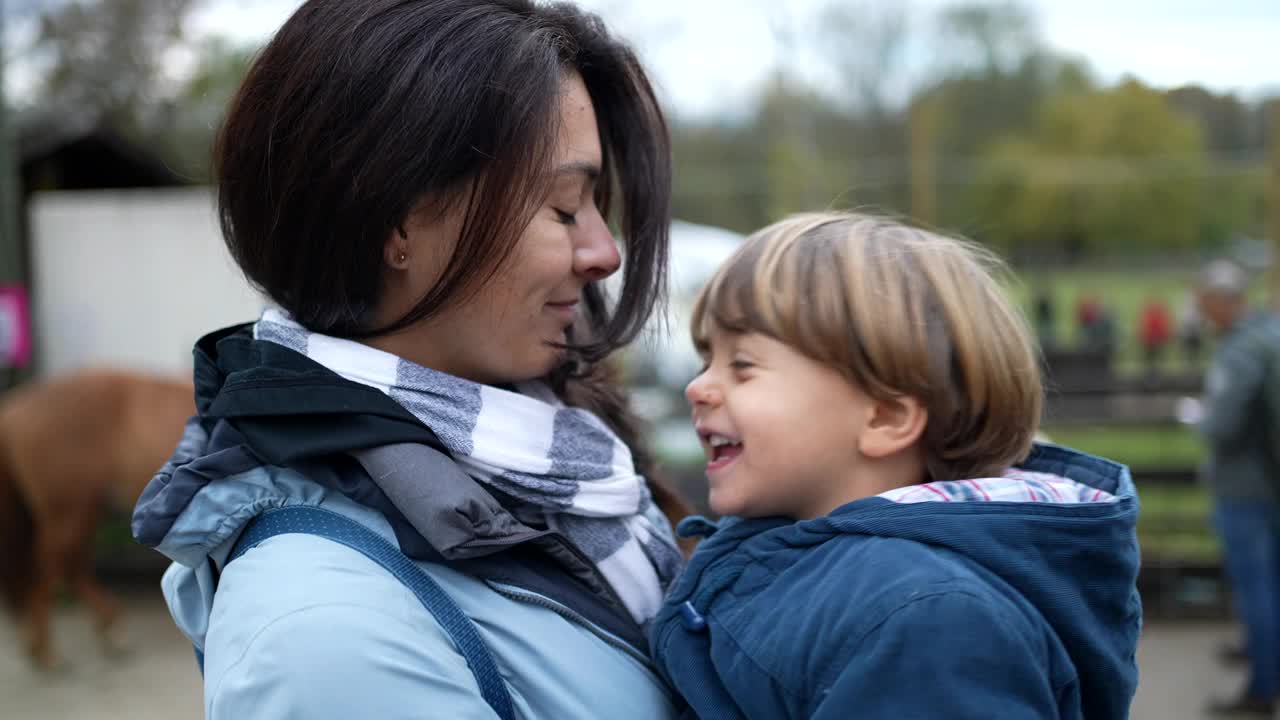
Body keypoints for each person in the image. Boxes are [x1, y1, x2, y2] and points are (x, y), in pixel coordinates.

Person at [130, 1, 688, 717]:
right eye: (563, 207)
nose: (604, 253)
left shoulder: (554, 457)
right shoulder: (324, 640)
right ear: (397, 223)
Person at [649, 212, 1142, 719]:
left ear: (885, 418)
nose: (698, 386)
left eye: (743, 366)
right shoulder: (797, 558)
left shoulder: (931, 621)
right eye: (706, 359)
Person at [1189, 260, 1280, 716]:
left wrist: (1201, 418)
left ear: (1224, 301)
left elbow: (1223, 426)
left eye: (1206, 301)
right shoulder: (1270, 335)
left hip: (1245, 486)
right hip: (1270, 479)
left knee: (1255, 586)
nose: (1202, 311)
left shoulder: (1239, 351)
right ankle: (1265, 656)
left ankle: (1263, 686)